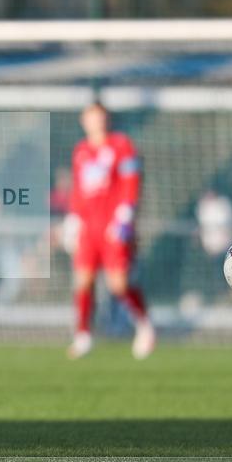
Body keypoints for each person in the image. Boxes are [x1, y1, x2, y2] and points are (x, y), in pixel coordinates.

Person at [65, 103, 155, 360]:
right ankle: (83, 336)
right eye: (92, 118)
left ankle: (144, 324)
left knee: (119, 284)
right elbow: (79, 190)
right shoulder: (81, 151)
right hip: (88, 228)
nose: (97, 123)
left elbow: (131, 181)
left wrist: (125, 216)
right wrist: (73, 219)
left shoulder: (121, 145)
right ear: (84, 121)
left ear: (107, 119)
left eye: (100, 117)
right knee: (83, 280)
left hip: (112, 226)